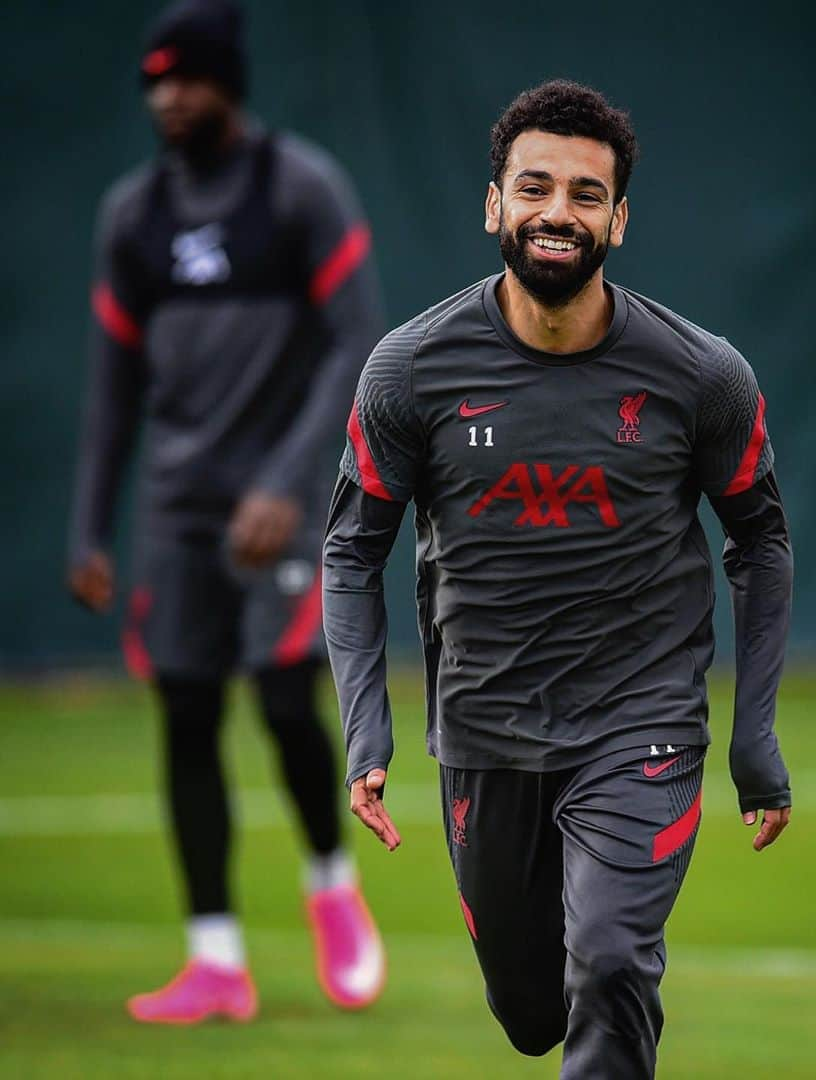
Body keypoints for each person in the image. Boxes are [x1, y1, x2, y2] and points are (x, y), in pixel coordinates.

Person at [324, 80, 793, 1078]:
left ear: (619, 221)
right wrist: (368, 730)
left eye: (587, 195)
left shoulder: (703, 377)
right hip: (485, 732)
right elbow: (350, 550)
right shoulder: (407, 372)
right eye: (535, 187)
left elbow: (761, 540)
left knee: (613, 963)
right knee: (534, 1014)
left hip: (642, 724)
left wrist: (754, 736)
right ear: (493, 204)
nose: (557, 213)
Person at [67, 0, 386, 1024]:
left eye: (188, 78)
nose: (170, 97)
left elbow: (357, 345)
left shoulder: (299, 189)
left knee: (286, 699)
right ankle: (216, 960)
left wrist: (290, 485)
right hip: (178, 505)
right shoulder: (132, 214)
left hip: (279, 503)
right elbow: (113, 384)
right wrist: (88, 526)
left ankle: (333, 888)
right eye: (156, 81)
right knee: (187, 714)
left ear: (228, 84)